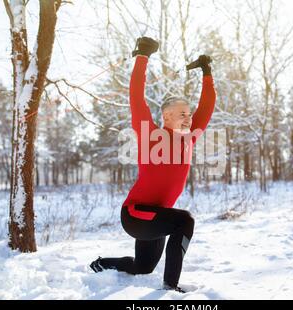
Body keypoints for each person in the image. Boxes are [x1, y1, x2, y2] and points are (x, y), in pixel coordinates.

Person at [90, 37, 216, 293]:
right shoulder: (151, 134)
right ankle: (171, 286)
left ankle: (100, 265)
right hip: (135, 214)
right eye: (182, 114)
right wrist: (143, 57)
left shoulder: (189, 137)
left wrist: (207, 73)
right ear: (166, 116)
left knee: (143, 266)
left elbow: (207, 107)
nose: (189, 118)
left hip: (156, 217)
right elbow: (137, 97)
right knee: (185, 221)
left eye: (189, 114)